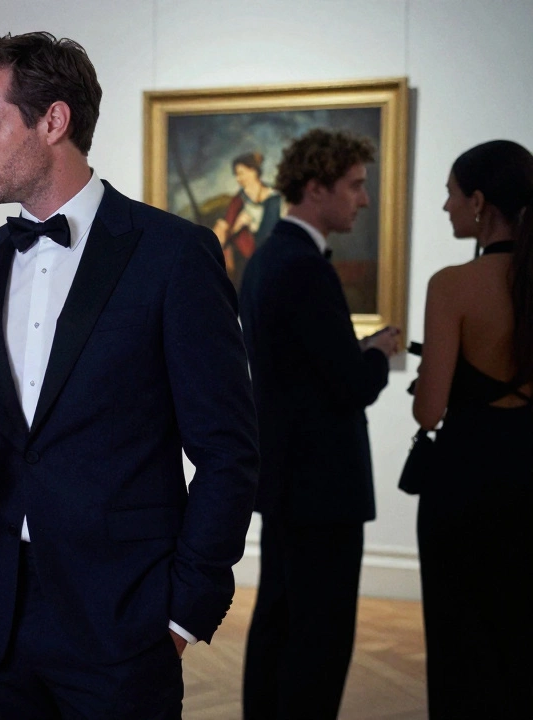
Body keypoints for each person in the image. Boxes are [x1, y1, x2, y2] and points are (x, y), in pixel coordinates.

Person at [0, 33, 259, 719]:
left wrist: (182, 614)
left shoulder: (173, 255)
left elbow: (229, 454)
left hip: (125, 626)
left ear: (53, 121)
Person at [238, 128, 401, 720]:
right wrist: (381, 351)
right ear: (316, 186)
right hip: (322, 487)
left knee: (280, 621)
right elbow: (350, 386)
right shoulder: (305, 267)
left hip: (287, 479)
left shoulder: (267, 259)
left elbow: (305, 367)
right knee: (319, 635)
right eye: (355, 186)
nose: (362, 199)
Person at [411, 140, 533, 718]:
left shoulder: (453, 284)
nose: (445, 207)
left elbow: (428, 412)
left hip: (466, 482)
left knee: (463, 645)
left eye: (450, 194)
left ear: (480, 202)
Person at [212, 151, 282, 287]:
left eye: (241, 173)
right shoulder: (238, 201)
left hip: (273, 259)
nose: (238, 178)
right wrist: (238, 225)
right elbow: (226, 233)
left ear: (253, 171)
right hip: (245, 262)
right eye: (236, 175)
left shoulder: (275, 197)